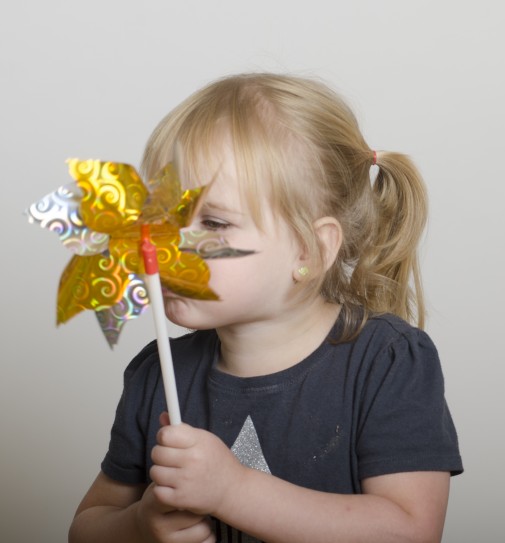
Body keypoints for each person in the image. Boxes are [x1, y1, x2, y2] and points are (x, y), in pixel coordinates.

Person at [68, 73, 462, 543]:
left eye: (212, 221)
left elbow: (411, 532)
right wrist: (138, 525)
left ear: (308, 252)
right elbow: (86, 527)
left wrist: (233, 490)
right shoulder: (157, 373)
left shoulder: (388, 362)